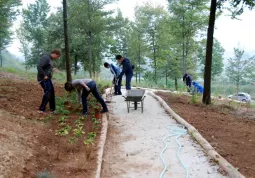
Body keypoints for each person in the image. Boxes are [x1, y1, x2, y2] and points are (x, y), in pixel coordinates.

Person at [37, 49, 61, 114]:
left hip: (48, 79)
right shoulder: (46, 57)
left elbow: (47, 68)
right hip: (43, 79)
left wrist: (54, 69)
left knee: (52, 92)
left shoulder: (50, 59)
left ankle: (52, 109)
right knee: (48, 92)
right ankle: (41, 109)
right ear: (55, 53)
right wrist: (44, 75)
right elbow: (39, 66)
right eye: (57, 56)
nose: (57, 58)